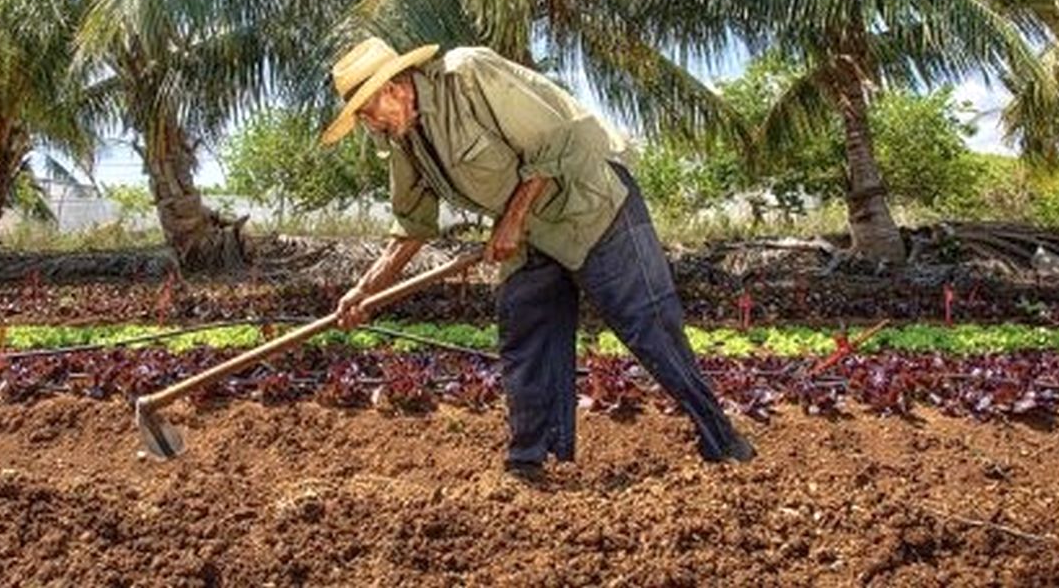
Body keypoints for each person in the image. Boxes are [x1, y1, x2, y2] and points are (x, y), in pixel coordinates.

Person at [321, 37, 756, 480]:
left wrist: (511, 219)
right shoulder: (404, 141)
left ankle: (724, 441)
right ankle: (530, 462)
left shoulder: (467, 75)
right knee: (525, 326)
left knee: (648, 326)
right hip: (530, 230)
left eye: (365, 109)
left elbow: (559, 138)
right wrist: (364, 291)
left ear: (394, 87)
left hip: (592, 203)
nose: (367, 123)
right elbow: (411, 224)